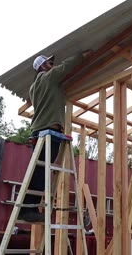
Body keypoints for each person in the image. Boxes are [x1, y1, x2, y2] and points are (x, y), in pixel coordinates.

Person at [19, 50, 92, 222]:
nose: (53, 65)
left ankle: (28, 207)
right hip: (48, 131)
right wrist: (81, 55)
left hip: (39, 132)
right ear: (43, 66)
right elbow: (65, 67)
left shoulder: (33, 87)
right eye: (50, 63)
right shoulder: (48, 77)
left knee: (39, 170)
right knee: (41, 170)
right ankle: (28, 210)